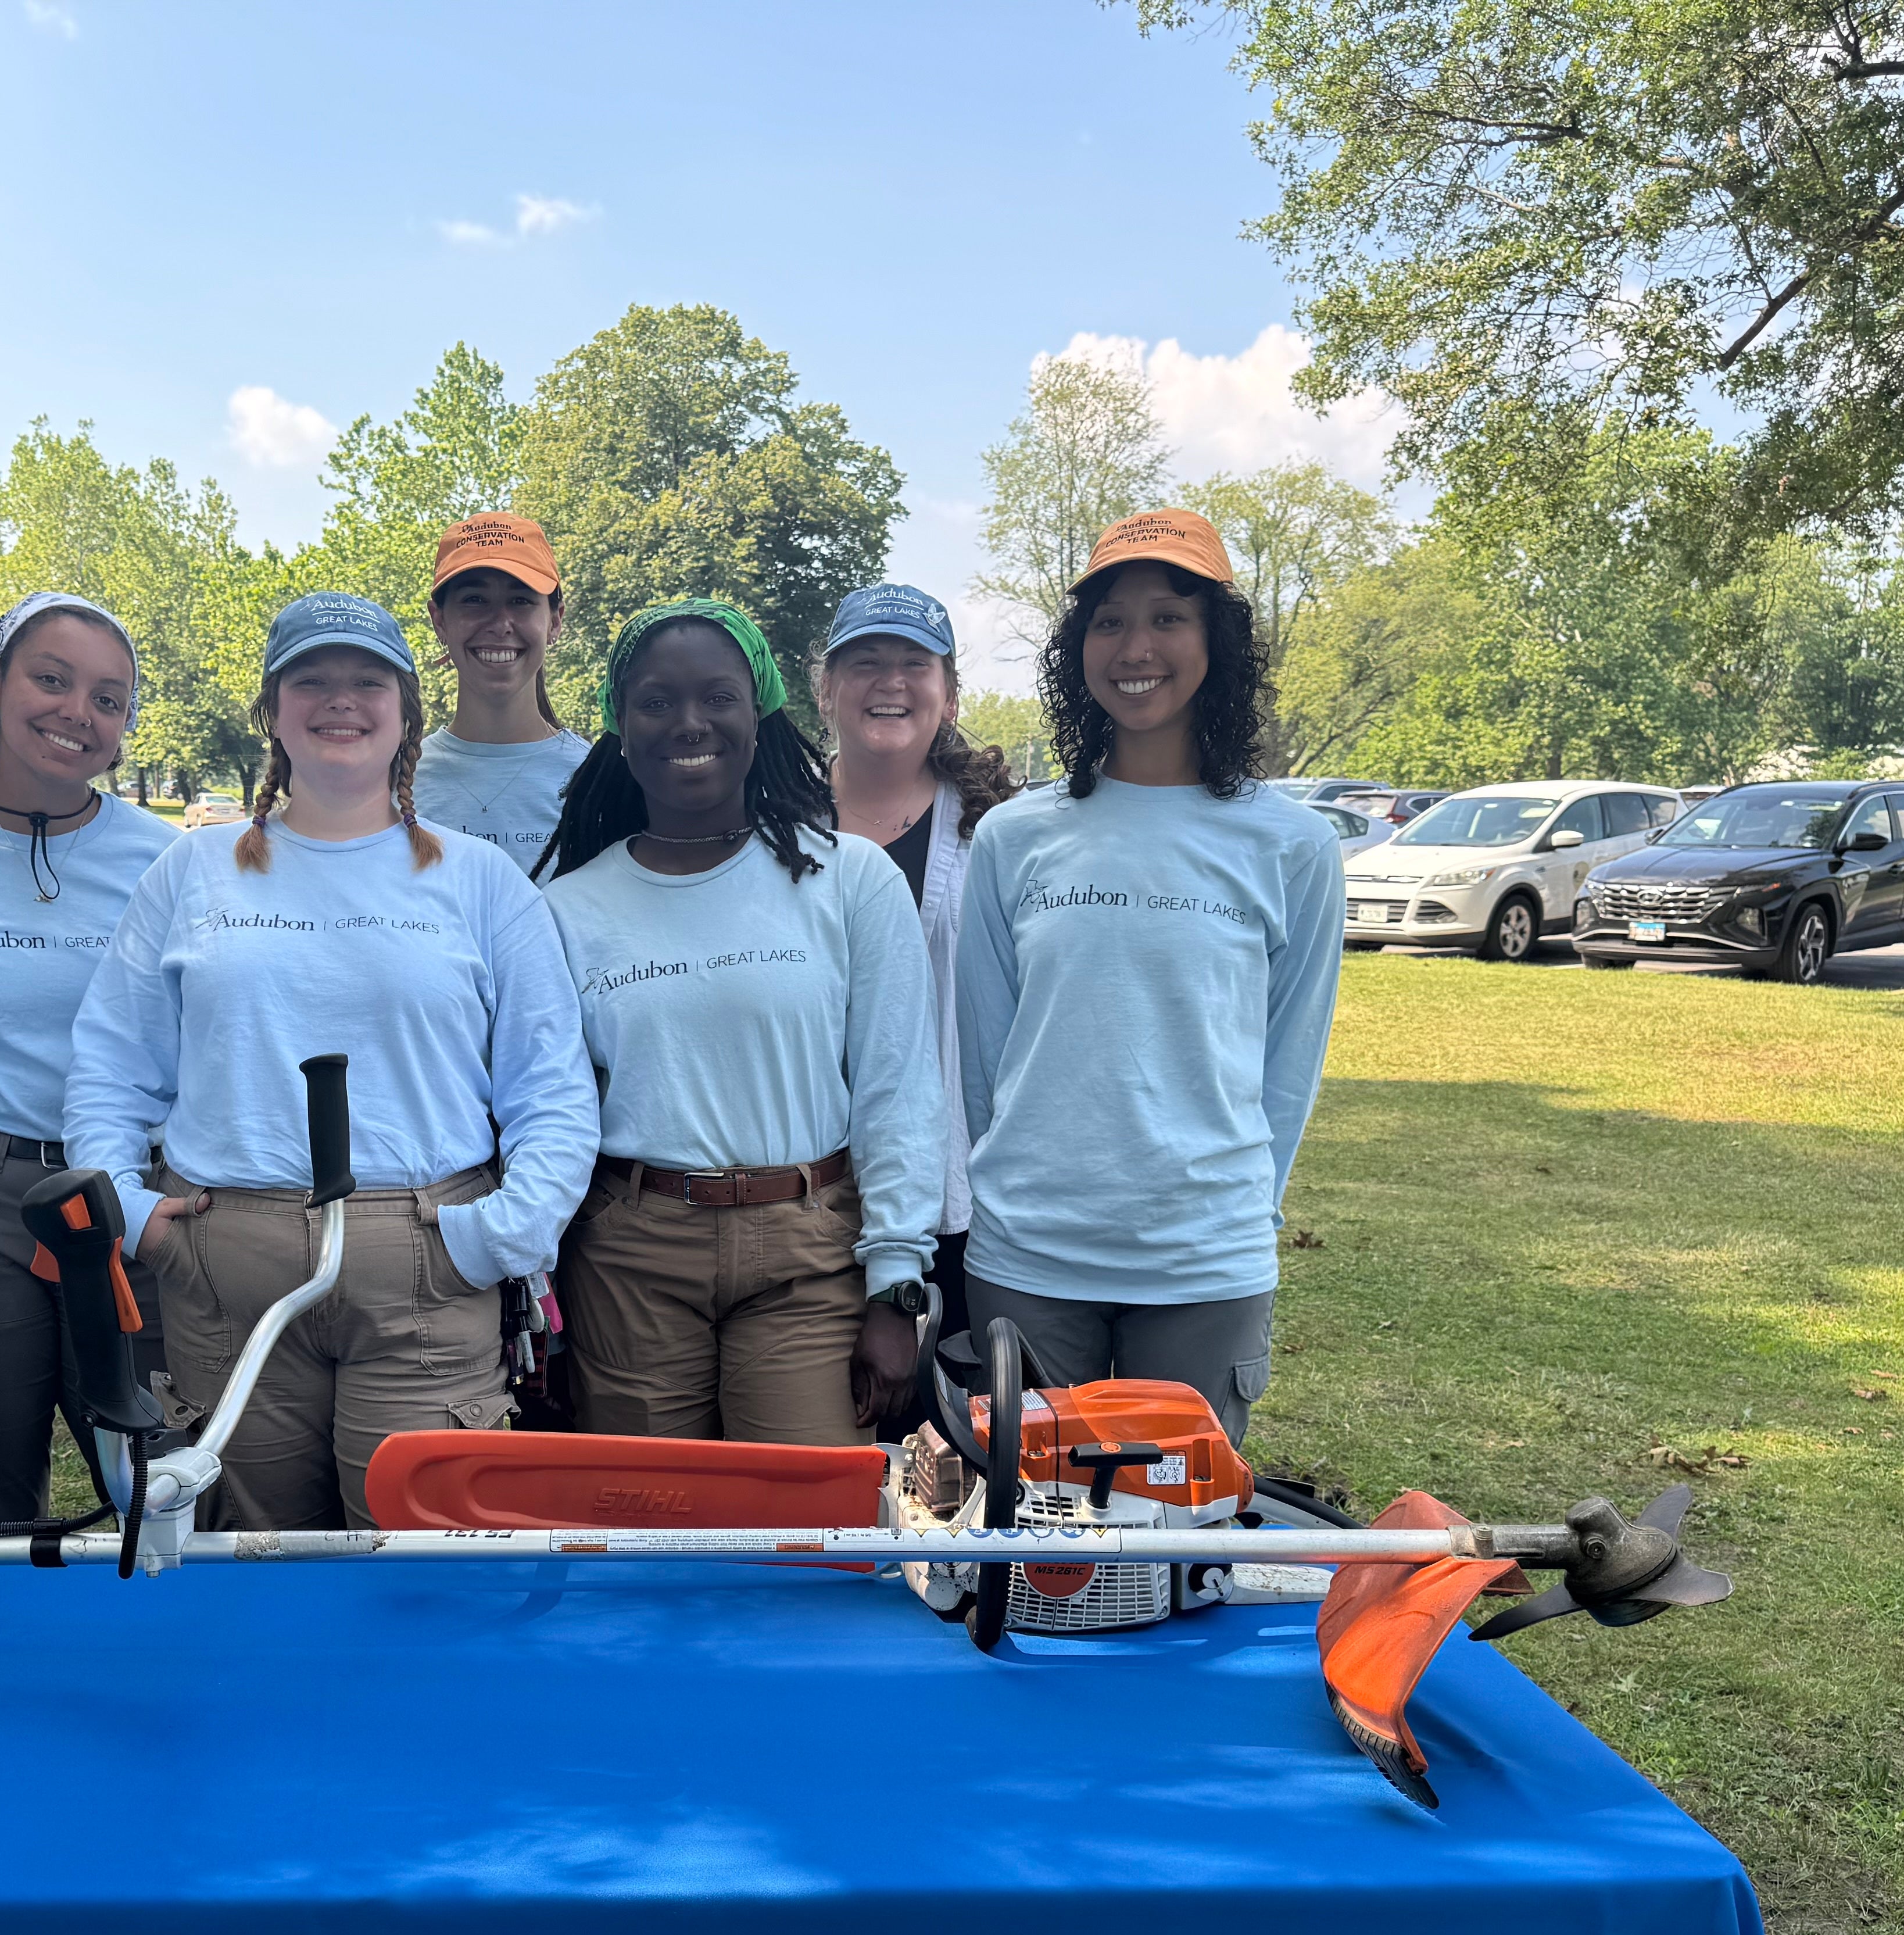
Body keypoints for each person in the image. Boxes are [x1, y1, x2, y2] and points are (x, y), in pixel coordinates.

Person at [65, 592, 597, 1528]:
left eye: (367, 682)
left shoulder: (480, 880)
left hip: (429, 1262)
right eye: (311, 680)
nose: (340, 700)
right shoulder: (193, 871)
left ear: (406, 712)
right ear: (273, 711)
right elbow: (113, 1062)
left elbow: (550, 1086)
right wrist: (133, 1214)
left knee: (420, 1553)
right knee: (248, 1554)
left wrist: (501, 1237)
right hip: (227, 1260)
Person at [955, 512, 1341, 1444]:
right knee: (1034, 1529)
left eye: (1169, 617)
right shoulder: (1014, 837)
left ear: (1219, 642)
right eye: (1110, 622)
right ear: (1078, 649)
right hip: (1029, 1257)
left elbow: (1289, 1063)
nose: (1137, 649)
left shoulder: (1293, 844)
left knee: (1178, 1525)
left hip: (1203, 1264)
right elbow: (984, 1056)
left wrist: (1239, 1213)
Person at [539, 600, 940, 1445]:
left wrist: (896, 1283)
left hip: (810, 1252)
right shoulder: (568, 908)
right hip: (630, 1259)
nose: (689, 722)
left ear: (759, 714)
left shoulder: (850, 879)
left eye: (718, 697)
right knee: (647, 1511)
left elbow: (898, 1091)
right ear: (619, 726)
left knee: (804, 1511)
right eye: (656, 702)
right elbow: (551, 1110)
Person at [0, 592, 179, 1522]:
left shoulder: (166, 858)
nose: (77, 713)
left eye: (108, 699)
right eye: (51, 680)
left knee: (162, 1477)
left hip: (132, 1191)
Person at [816, 582, 1019, 1347]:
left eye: (914, 663)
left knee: (953, 1403)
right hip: (810, 1182)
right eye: (866, 662)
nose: (891, 682)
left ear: (950, 693)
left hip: (957, 1182)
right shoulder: (773, 823)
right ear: (827, 689)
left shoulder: (996, 832)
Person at [410, 514, 592, 877]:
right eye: (475, 599)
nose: (500, 624)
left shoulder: (594, 780)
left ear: (555, 620)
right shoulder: (398, 784)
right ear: (439, 621)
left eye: (521, 600)